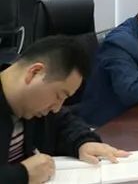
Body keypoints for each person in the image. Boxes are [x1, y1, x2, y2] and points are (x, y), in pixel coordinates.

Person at [1, 36, 127, 184]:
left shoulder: (32, 105)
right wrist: (23, 175)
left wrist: (83, 143)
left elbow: (63, 122)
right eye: (59, 96)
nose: (56, 108)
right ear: (34, 72)